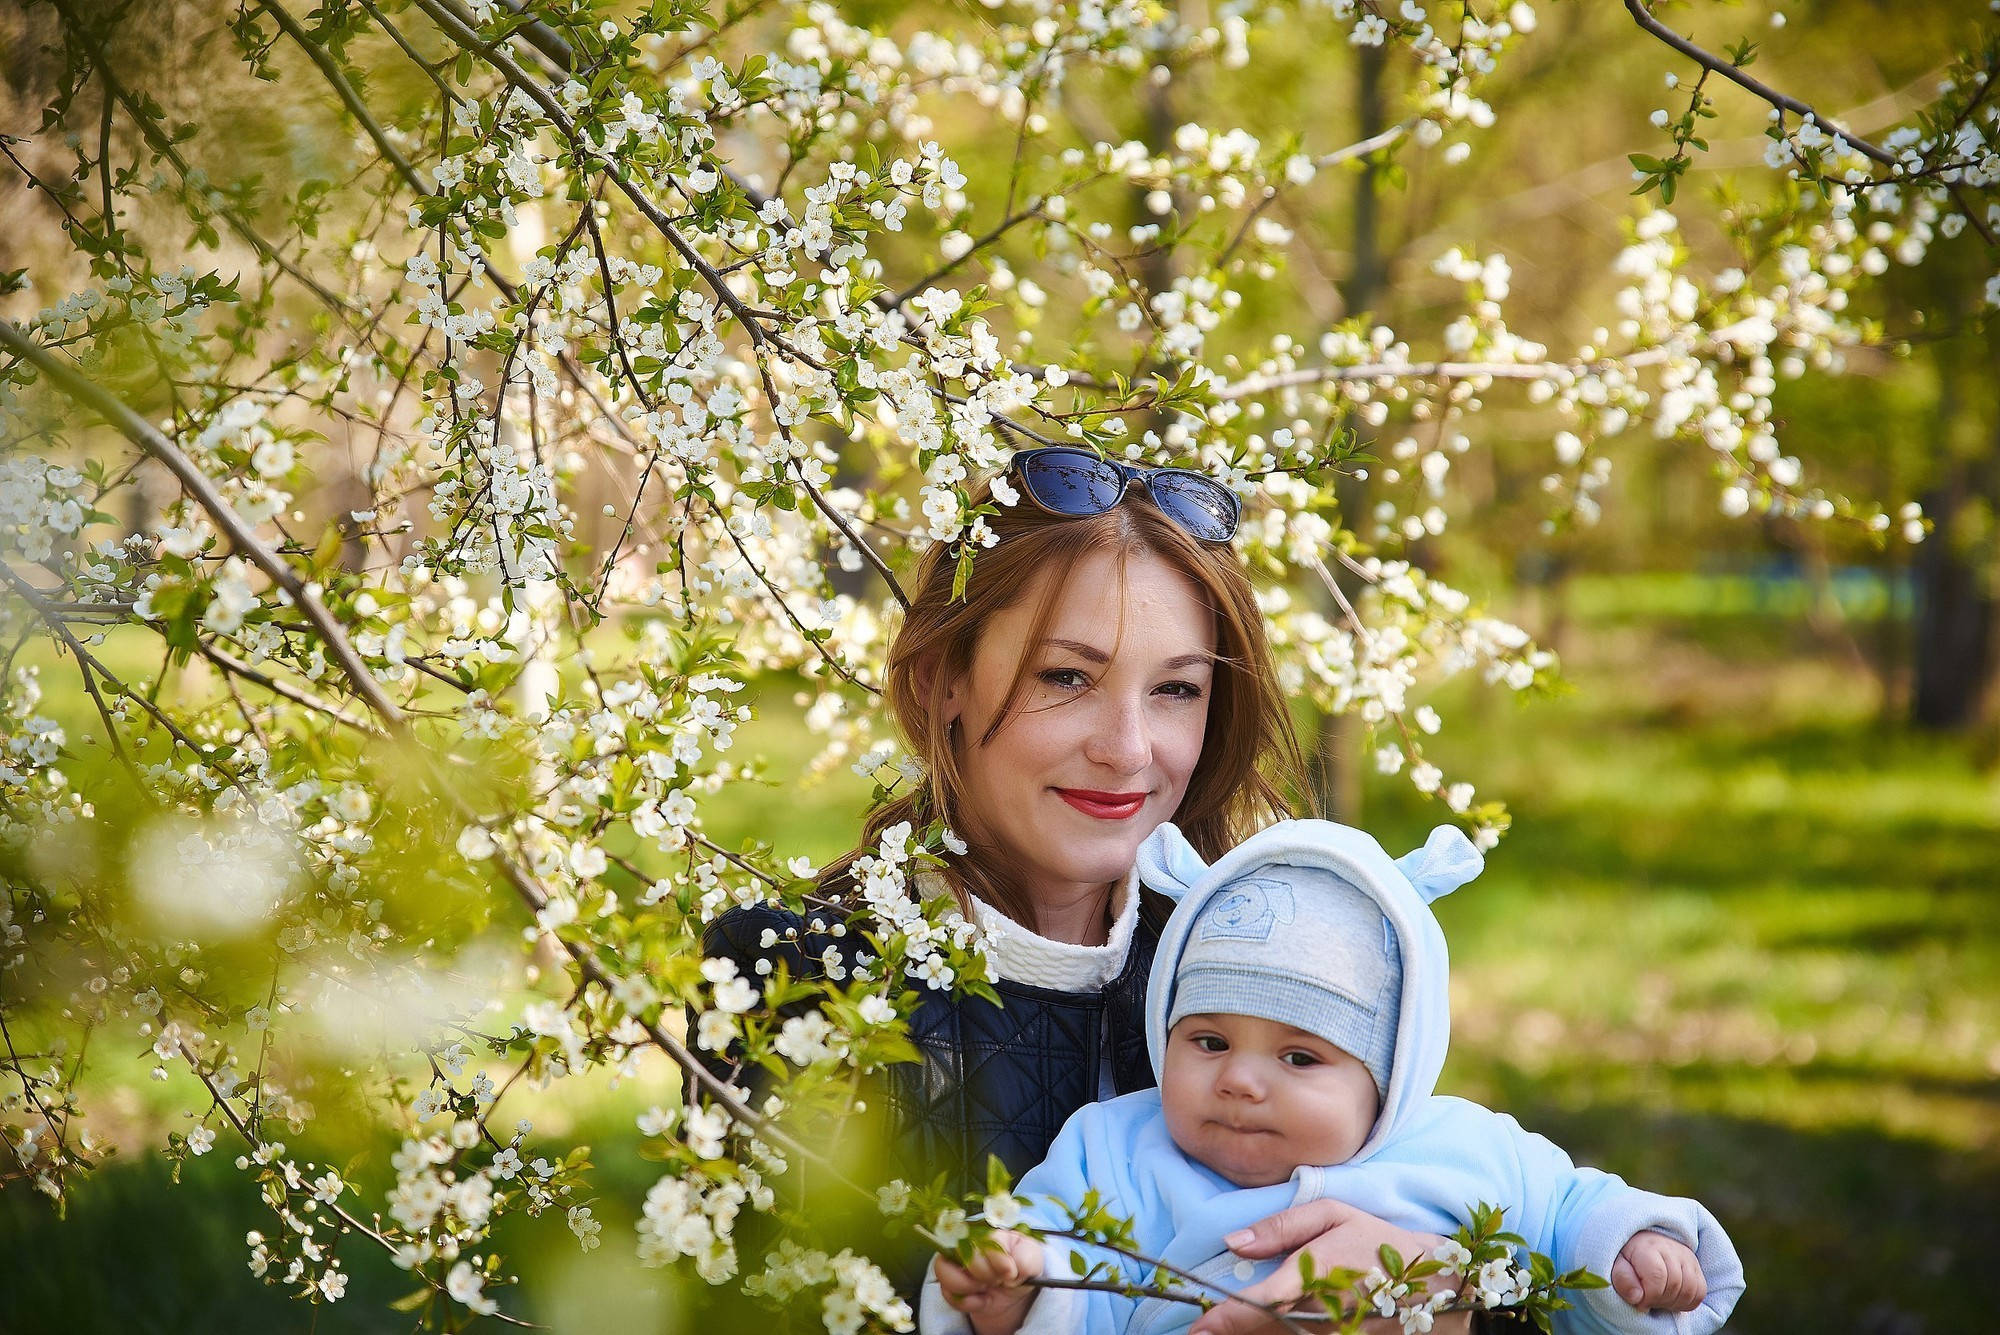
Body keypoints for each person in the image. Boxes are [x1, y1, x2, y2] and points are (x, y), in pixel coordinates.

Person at [923, 818, 1746, 1335]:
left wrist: (1632, 1248)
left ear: (1387, 1074)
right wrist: (1015, 1284)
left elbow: (1568, 1212)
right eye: (1208, 1040)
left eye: (1299, 1056)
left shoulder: (1462, 1150)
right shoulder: (1118, 1146)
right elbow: (1064, 1243)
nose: (1242, 1079)